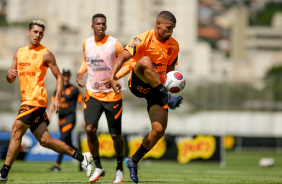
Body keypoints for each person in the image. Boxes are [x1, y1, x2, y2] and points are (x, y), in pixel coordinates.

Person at [0, 20, 93, 183]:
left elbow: (58, 76)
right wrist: (9, 77)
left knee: (16, 131)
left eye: (41, 33)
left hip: (36, 100)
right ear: (28, 32)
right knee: (45, 141)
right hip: (26, 101)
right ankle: (82, 157)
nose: (38, 35)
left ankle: (3, 173)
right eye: (35, 32)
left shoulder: (46, 54)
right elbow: (11, 78)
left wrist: (57, 97)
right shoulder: (18, 53)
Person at [109, 11, 183, 183]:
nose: (171, 32)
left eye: (173, 29)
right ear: (158, 24)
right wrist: (113, 77)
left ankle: (133, 161)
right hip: (138, 83)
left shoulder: (174, 46)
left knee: (158, 131)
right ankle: (165, 95)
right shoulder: (144, 38)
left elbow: (170, 72)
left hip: (157, 91)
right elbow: (122, 56)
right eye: (169, 28)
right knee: (145, 62)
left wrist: (170, 91)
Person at [76, 14, 130, 183]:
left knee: (115, 136)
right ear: (92, 26)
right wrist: (80, 72)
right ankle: (98, 167)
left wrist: (115, 78)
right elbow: (87, 60)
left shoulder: (114, 43)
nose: (101, 26)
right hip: (92, 94)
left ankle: (120, 168)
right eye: (98, 24)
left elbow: (129, 63)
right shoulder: (87, 43)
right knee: (90, 129)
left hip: (113, 96)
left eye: (103, 24)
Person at [47, 68, 85, 172]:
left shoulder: (74, 90)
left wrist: (84, 118)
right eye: (64, 75)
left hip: (70, 119)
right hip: (61, 120)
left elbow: (81, 104)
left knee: (62, 141)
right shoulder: (58, 90)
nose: (66, 77)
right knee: (68, 145)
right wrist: (49, 114)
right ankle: (83, 160)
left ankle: (57, 165)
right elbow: (52, 103)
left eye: (68, 75)